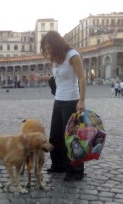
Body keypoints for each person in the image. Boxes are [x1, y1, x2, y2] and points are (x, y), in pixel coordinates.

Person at [30, 31, 86, 181]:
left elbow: (82, 78)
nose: (47, 52)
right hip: (59, 100)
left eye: (49, 48)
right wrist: (39, 78)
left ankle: (76, 170)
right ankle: (59, 165)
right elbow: (56, 77)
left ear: (57, 45)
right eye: (45, 49)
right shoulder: (56, 59)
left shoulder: (72, 55)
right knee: (55, 136)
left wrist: (82, 100)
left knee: (71, 137)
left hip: (71, 100)